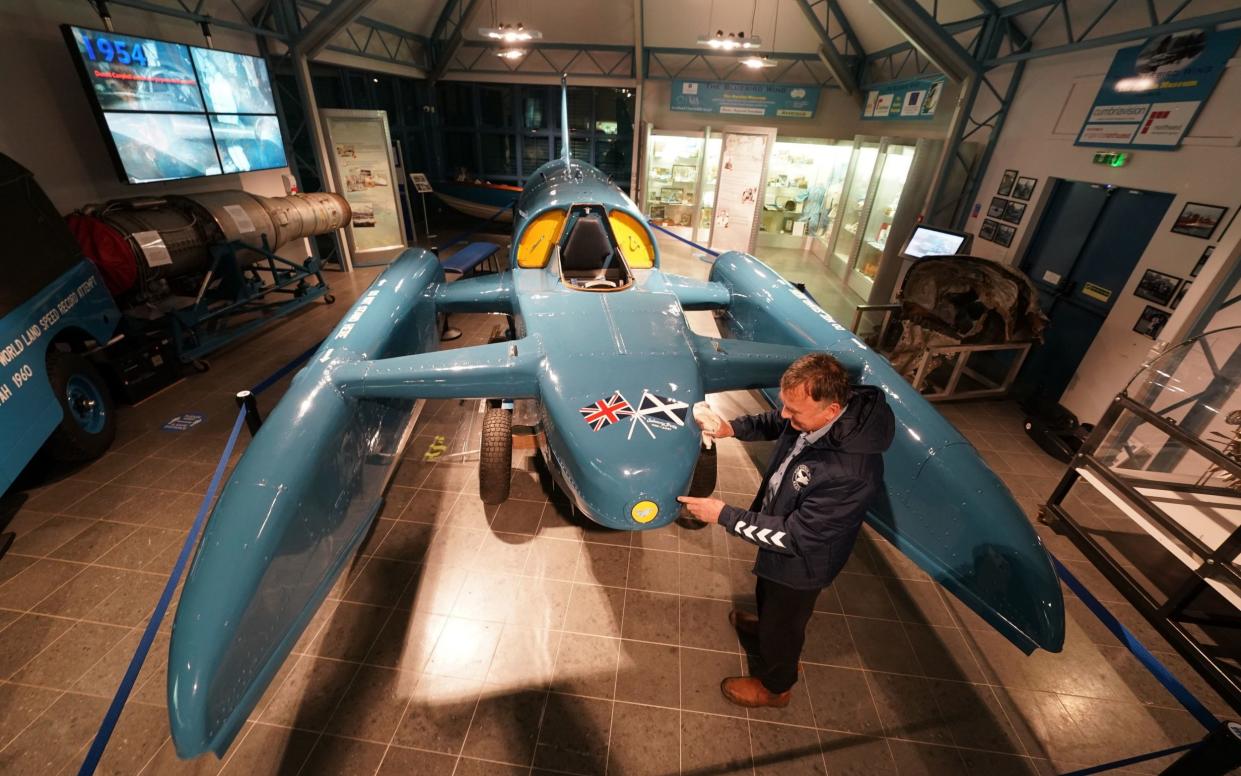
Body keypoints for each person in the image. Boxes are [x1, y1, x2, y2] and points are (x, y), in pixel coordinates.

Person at [678, 353, 895, 709]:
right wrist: (731, 427)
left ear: (831, 410)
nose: (785, 416)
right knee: (768, 597)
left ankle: (776, 686)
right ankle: (765, 627)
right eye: (785, 405)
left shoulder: (851, 473)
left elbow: (795, 537)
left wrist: (724, 515)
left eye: (794, 411)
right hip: (781, 547)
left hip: (802, 563)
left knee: (785, 625)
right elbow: (776, 422)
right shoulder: (816, 420)